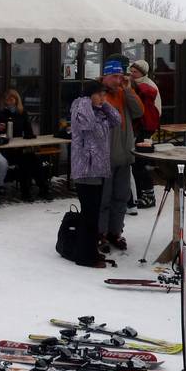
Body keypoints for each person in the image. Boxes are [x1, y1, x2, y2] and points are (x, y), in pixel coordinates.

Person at [70, 81, 122, 268]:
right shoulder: (80, 109)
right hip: (85, 169)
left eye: (104, 94)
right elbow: (87, 123)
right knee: (89, 214)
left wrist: (104, 104)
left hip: (99, 169)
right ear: (89, 96)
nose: (102, 98)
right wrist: (86, 99)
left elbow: (117, 120)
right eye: (99, 94)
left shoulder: (100, 112)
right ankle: (84, 256)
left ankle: (90, 251)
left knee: (94, 214)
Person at [99, 56, 144, 251]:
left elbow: (139, 111)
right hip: (105, 157)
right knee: (103, 199)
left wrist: (128, 89)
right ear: (106, 76)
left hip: (125, 155)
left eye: (120, 76)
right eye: (115, 76)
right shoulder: (99, 94)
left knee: (121, 197)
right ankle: (100, 234)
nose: (118, 80)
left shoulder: (123, 93)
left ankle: (115, 232)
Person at [0, 89, 47, 200]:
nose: (9, 102)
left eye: (12, 99)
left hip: (20, 147)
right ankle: (25, 192)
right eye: (7, 100)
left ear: (16, 100)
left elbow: (29, 131)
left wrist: (28, 137)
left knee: (35, 160)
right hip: (7, 149)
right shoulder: (1, 114)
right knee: (25, 161)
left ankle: (44, 189)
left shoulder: (22, 113)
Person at [129, 59, 160, 208]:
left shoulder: (147, 87)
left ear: (142, 73)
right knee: (138, 163)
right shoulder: (137, 85)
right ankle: (142, 193)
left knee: (140, 162)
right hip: (141, 127)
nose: (132, 74)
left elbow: (154, 108)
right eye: (131, 71)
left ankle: (148, 195)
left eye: (135, 72)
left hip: (145, 128)